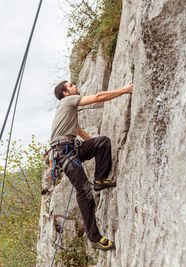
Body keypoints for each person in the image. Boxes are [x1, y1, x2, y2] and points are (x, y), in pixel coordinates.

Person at [50, 80, 133, 251]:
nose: (75, 87)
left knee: (102, 142)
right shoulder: (68, 101)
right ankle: (94, 238)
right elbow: (98, 97)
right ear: (66, 93)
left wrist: (94, 143)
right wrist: (126, 90)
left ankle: (100, 181)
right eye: (71, 86)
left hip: (72, 148)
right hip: (64, 152)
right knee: (84, 191)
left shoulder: (67, 109)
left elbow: (78, 130)